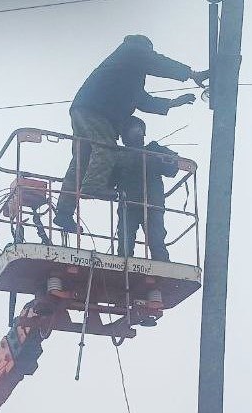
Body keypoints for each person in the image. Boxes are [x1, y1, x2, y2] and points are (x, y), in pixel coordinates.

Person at [53, 35, 207, 232]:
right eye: (149, 52)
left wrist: (171, 103)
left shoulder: (126, 75)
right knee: (106, 148)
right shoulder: (130, 52)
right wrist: (190, 74)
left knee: (81, 162)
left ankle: (64, 214)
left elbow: (142, 100)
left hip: (84, 109)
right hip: (96, 111)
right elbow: (156, 62)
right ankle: (93, 187)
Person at [114, 116, 180, 261]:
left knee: (156, 240)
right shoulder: (120, 155)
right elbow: (110, 179)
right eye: (133, 130)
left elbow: (172, 169)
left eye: (139, 130)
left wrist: (158, 157)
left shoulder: (153, 150)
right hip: (129, 204)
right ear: (125, 135)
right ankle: (122, 266)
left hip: (152, 204)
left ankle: (162, 265)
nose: (137, 133)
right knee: (126, 240)